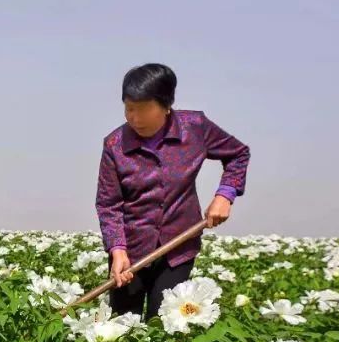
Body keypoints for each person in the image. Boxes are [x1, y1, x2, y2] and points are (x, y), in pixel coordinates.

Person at [96, 63, 250, 318]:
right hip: (130, 252)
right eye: (129, 108)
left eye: (144, 109)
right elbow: (108, 203)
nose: (135, 118)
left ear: (166, 106)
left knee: (167, 322)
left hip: (178, 248)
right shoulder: (115, 144)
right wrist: (117, 249)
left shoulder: (195, 127)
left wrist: (225, 194)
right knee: (122, 325)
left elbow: (238, 154)